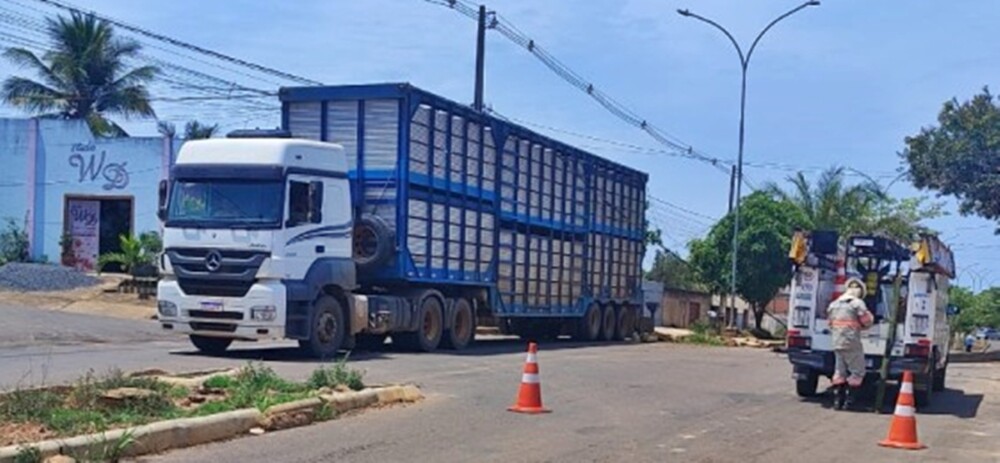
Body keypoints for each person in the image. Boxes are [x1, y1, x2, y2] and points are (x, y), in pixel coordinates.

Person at [826, 278, 875, 410]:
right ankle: (849, 402)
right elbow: (867, 321)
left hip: (837, 342)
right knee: (857, 372)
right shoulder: (857, 304)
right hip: (851, 341)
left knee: (839, 371)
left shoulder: (834, 304)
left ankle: (837, 402)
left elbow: (830, 323)